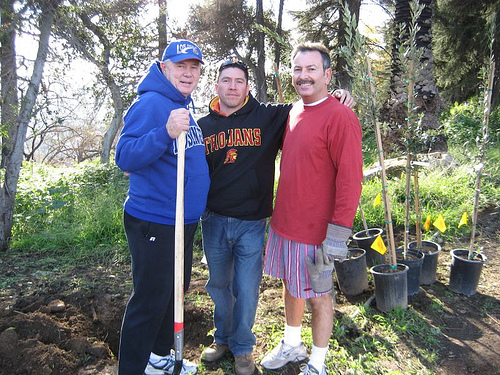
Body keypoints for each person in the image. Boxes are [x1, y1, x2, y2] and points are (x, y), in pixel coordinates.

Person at [197, 58, 354, 375]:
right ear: (216, 86)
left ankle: (243, 348)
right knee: (218, 285)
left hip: (252, 223)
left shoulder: (269, 116)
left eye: (238, 81)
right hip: (213, 221)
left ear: (246, 87)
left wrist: (339, 94)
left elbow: (313, 103)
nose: (232, 86)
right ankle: (223, 338)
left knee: (246, 286)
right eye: (226, 80)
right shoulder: (202, 126)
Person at [260, 42, 363, 375]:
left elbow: (351, 181)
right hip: (285, 224)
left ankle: (317, 363)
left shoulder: (341, 117)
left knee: (319, 297)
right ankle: (292, 344)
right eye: (298, 70)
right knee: (291, 286)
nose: (303, 77)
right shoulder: (292, 112)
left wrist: (337, 234)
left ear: (327, 74)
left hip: (317, 234)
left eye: (311, 69)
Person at [115, 39, 209, 375]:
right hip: (156, 220)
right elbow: (124, 157)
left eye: (194, 67)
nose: (188, 72)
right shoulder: (152, 104)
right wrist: (165, 132)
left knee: (172, 295)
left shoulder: (183, 101)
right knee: (149, 299)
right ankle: (131, 370)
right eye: (180, 66)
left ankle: (156, 359)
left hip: (181, 220)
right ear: (164, 67)